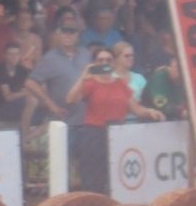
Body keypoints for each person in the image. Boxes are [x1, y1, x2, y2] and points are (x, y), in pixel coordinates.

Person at [68, 44, 164, 194]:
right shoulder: (91, 83)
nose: (104, 63)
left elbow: (136, 109)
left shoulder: (120, 83)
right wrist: (83, 77)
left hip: (117, 133)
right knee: (93, 179)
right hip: (94, 133)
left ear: (113, 62)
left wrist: (150, 111)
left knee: (116, 177)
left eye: (108, 60)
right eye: (100, 60)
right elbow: (71, 99)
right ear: (94, 63)